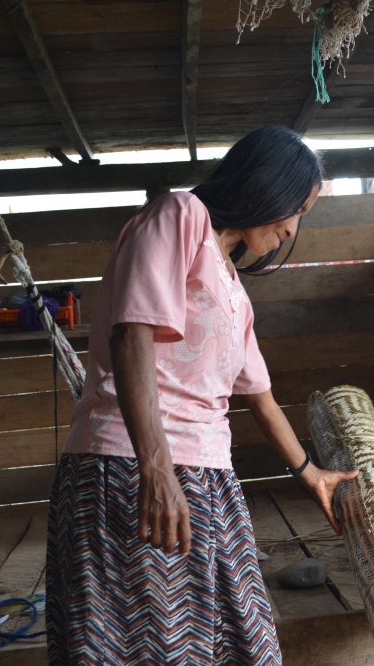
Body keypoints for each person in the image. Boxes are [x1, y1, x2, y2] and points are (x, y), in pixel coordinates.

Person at [46, 125, 357, 665]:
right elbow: (132, 334)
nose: (292, 228)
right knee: (150, 649)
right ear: (268, 188)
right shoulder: (179, 216)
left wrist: (312, 474)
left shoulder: (234, 289)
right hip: (131, 469)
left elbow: (259, 396)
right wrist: (158, 472)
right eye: (296, 208)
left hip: (209, 480)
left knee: (245, 646)